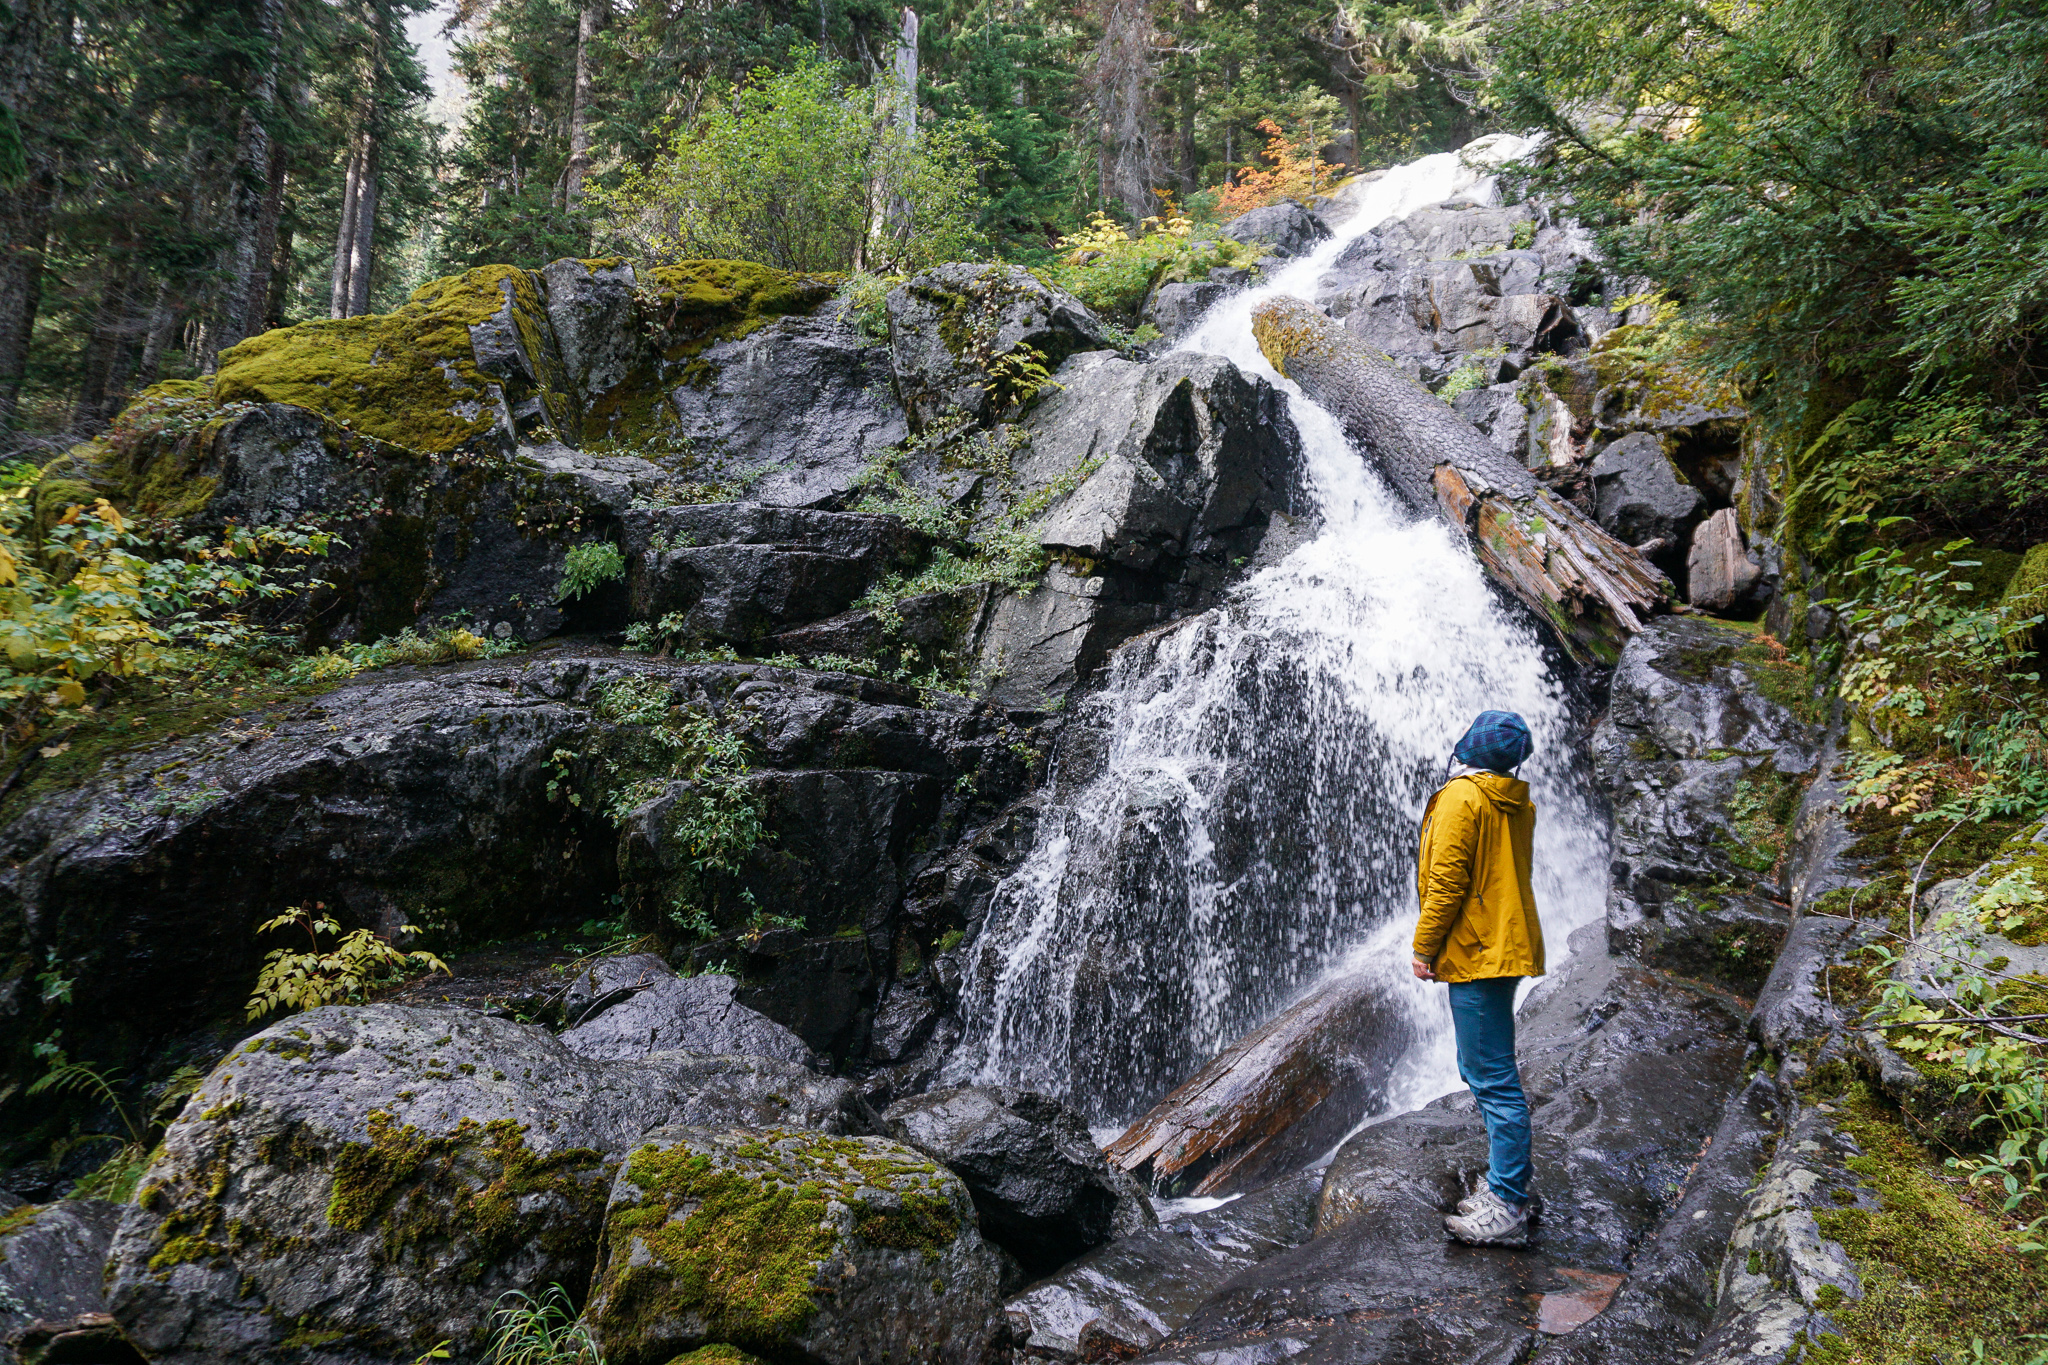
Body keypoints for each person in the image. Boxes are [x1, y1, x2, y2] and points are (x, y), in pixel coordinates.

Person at [1411, 709, 1543, 1248]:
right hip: (1504, 944)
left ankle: (1508, 1201)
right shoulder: (1515, 800)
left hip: (1477, 949)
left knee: (1490, 1076)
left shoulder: (1462, 799)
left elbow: (1446, 883)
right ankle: (1503, 1185)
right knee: (1486, 1068)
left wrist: (1424, 948)